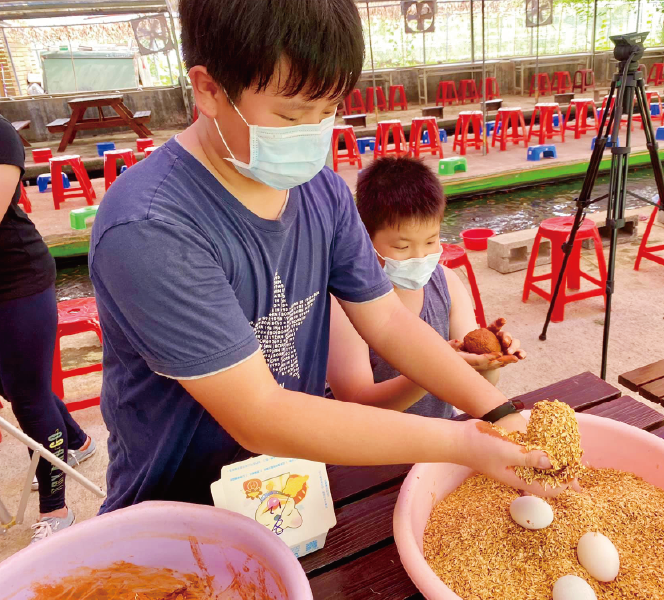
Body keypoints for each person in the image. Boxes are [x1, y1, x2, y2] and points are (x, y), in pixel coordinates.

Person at [90, 0, 577, 515]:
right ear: (210, 90)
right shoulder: (151, 227)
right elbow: (259, 414)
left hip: (292, 489)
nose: (312, 132)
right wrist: (463, 443)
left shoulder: (320, 190)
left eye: (328, 111)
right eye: (291, 114)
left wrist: (498, 412)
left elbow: (387, 320)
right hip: (182, 506)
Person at [327, 156, 525, 418]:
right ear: (364, 237)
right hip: (376, 451)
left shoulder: (446, 285)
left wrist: (491, 358)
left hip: (441, 439)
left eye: (431, 242)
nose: (419, 256)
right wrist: (438, 367)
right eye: (402, 247)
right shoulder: (343, 303)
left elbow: (480, 386)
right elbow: (356, 404)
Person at [0, 115, 96, 544]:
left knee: (28, 396)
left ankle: (57, 509)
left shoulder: (1, 135)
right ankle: (77, 440)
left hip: (19, 281)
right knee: (17, 384)